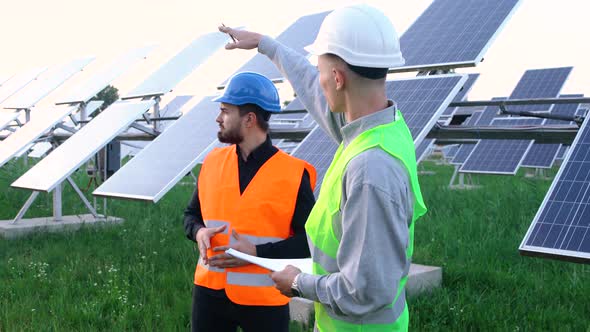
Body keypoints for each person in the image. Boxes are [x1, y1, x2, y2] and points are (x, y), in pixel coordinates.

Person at [219, 4, 427, 331]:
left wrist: (300, 283)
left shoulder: (371, 169)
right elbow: (317, 93)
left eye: (321, 71)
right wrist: (266, 44)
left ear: (338, 78)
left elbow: (367, 291)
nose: (318, 81)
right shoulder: (383, 127)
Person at [183, 71, 317, 332]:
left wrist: (257, 254)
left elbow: (309, 243)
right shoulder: (212, 163)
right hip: (209, 293)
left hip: (265, 299)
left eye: (225, 111)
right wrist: (198, 232)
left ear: (249, 119)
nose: (218, 118)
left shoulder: (294, 174)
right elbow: (190, 215)